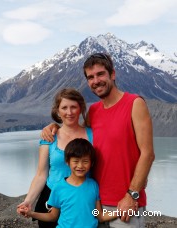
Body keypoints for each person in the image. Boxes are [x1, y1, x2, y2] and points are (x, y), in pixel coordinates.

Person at [41, 53, 155, 227]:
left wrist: (132, 195)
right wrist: (53, 127)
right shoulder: (94, 111)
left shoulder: (134, 103)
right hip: (96, 203)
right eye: (90, 77)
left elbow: (148, 154)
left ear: (113, 74)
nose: (96, 81)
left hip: (124, 203)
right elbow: (75, 132)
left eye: (100, 74)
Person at [17, 88, 93, 228]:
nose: (69, 112)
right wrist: (29, 201)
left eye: (73, 107)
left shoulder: (93, 135)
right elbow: (41, 174)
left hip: (82, 198)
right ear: (57, 111)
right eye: (64, 107)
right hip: (51, 199)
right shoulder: (49, 138)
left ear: (81, 108)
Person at [22, 138, 118, 228]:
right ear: (67, 162)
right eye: (75, 161)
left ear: (91, 163)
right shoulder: (58, 188)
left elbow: (100, 215)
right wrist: (31, 213)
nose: (80, 166)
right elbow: (53, 216)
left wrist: (121, 211)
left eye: (85, 161)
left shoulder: (93, 185)